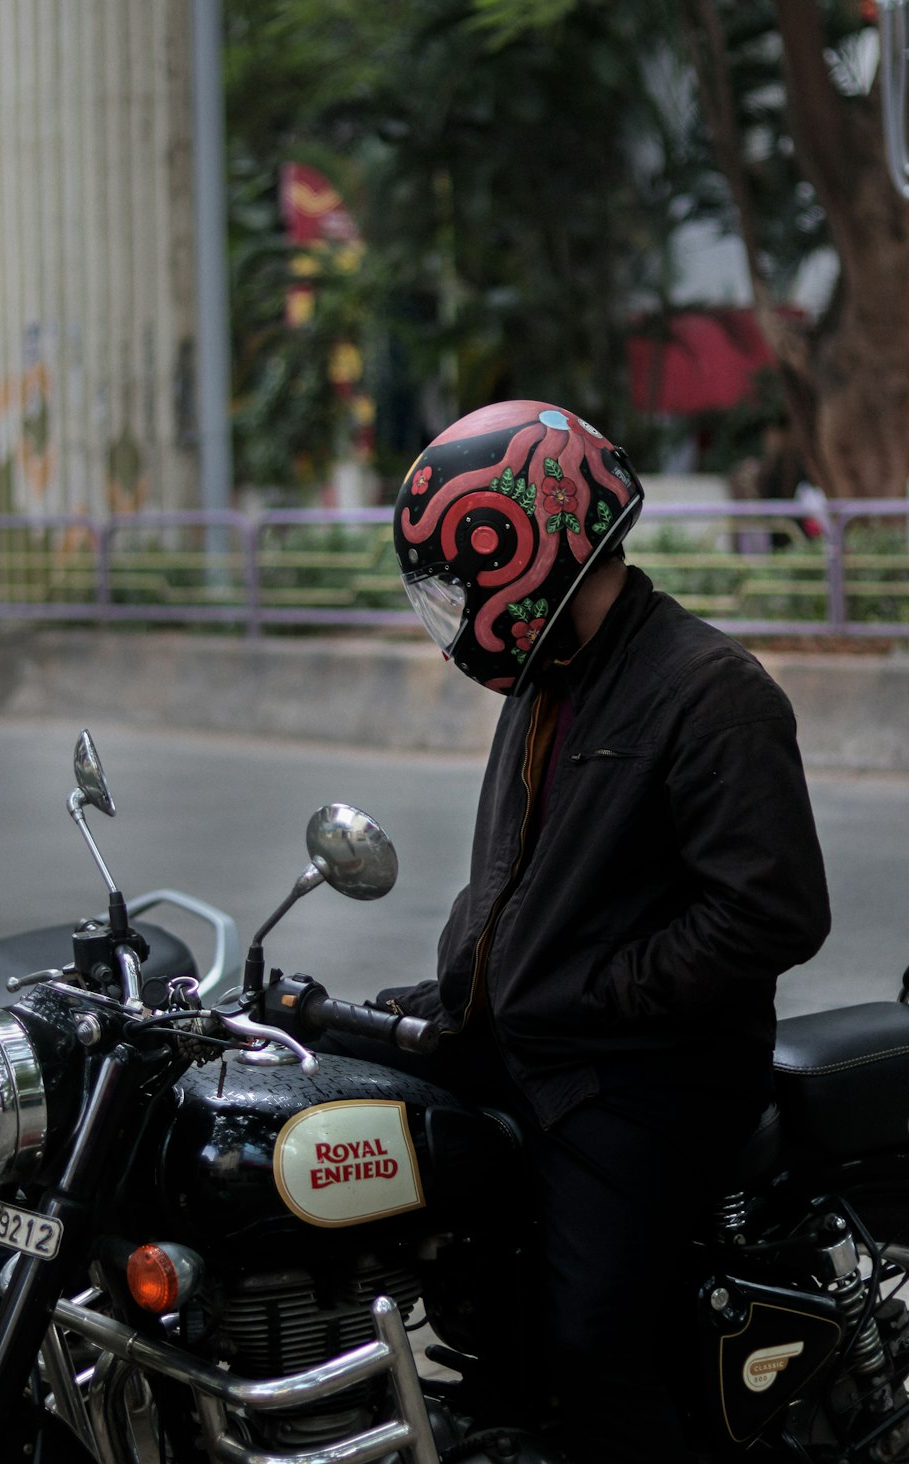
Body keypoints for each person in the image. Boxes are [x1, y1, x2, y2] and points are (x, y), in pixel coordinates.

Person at [382, 400, 832, 1462]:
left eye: (462, 585)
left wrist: (593, 991)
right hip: (535, 1046)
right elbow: (524, 886)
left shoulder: (710, 692)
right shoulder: (548, 683)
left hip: (648, 1078)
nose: (457, 621)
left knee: (589, 1350)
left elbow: (771, 912)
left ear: (524, 553)